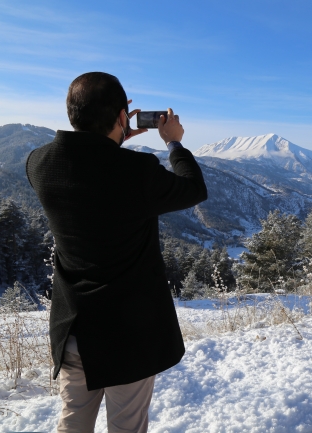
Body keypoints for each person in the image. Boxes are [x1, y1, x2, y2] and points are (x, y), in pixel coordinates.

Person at [26, 72, 208, 432]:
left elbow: (91, 173)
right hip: (128, 334)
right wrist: (173, 143)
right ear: (123, 116)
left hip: (73, 326)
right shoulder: (136, 171)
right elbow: (193, 188)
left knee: (73, 422)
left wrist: (114, 140)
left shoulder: (39, 163)